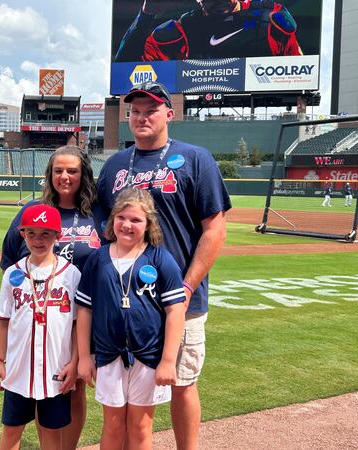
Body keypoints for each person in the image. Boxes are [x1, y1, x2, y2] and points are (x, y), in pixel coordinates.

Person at [96, 80, 231, 450]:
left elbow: (215, 229)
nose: (141, 117)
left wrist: (187, 286)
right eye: (135, 111)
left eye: (151, 110)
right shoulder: (115, 165)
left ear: (169, 114)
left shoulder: (195, 158)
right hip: (127, 298)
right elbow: (102, 228)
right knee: (126, 388)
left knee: (182, 381)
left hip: (180, 297)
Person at [0, 145, 105, 449]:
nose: (65, 176)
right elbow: (10, 263)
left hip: (85, 316)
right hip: (39, 317)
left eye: (72, 170)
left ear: (83, 173)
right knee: (32, 385)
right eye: (58, 170)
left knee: (74, 386)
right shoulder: (30, 212)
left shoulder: (97, 213)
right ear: (50, 174)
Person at [76, 188, 186, 450]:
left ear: (148, 224)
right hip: (108, 354)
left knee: (140, 426)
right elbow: (84, 310)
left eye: (136, 220)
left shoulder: (160, 259)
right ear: (113, 219)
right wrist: (83, 356)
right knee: (113, 425)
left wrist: (169, 361)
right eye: (121, 218)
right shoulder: (98, 259)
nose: (127, 225)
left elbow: (175, 310)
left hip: (148, 355)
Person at [0, 204, 81, 450]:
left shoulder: (71, 274)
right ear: (22, 234)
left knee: (52, 433)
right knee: (11, 429)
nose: (38, 240)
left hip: (56, 369)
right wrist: (0, 362)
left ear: (58, 235)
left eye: (45, 233)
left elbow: (76, 325)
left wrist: (74, 363)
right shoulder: (13, 274)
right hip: (18, 369)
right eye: (31, 233)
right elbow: (3, 321)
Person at [114, 0, 302, 62]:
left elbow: (299, 73)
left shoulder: (271, 18)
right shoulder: (175, 33)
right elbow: (125, 74)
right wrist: (146, 16)